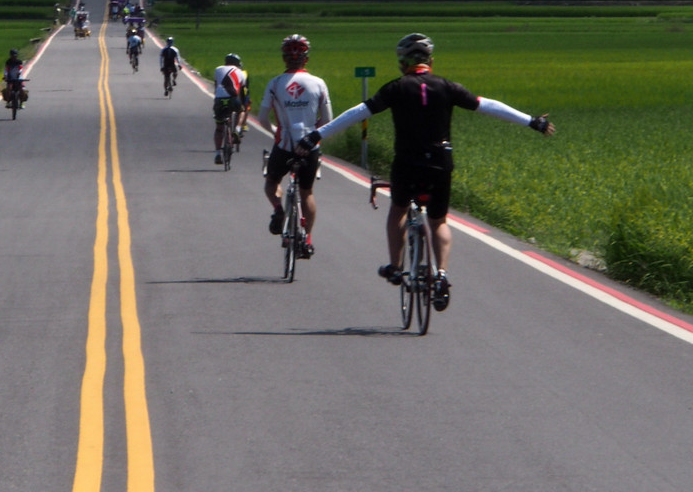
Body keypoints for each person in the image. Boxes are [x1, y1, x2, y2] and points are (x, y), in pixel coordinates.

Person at [300, 32, 554, 311]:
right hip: (440, 161)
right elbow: (488, 106)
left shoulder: (395, 88)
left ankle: (396, 267)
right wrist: (532, 121)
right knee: (439, 221)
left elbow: (357, 112)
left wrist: (316, 136)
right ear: (430, 61)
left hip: (407, 162)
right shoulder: (447, 87)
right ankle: (442, 274)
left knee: (397, 210)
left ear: (402, 63)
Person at [258, 35, 332, 258]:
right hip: (309, 145)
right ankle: (307, 239)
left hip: (284, 144)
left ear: (284, 58)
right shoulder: (318, 83)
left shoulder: (275, 83)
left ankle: (279, 209)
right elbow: (328, 119)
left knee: (272, 181)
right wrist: (314, 135)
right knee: (307, 192)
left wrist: (275, 133)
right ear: (306, 59)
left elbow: (262, 117)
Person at [212, 52, 248, 164]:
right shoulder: (241, 73)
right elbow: (243, 91)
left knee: (219, 127)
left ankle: (218, 153)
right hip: (233, 99)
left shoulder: (218, 69)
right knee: (241, 111)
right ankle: (237, 129)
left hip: (219, 100)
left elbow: (216, 85)